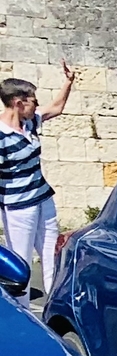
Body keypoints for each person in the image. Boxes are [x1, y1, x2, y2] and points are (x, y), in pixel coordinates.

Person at [1, 62, 76, 307]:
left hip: (43, 200)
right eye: (33, 100)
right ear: (18, 102)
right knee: (20, 264)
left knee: (51, 257)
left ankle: (55, 310)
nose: (37, 104)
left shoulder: (29, 123)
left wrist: (69, 82)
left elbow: (56, 108)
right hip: (18, 208)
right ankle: (22, 315)